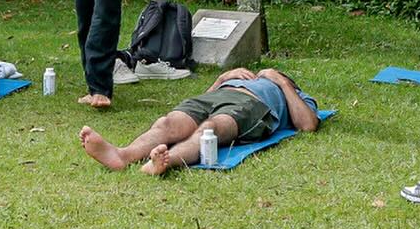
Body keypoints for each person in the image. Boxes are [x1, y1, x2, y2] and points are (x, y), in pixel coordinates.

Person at [78, 66, 321, 175]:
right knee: (167, 123)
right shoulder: (238, 78)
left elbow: (308, 125)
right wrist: (222, 79)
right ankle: (122, 155)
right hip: (215, 96)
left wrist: (281, 81)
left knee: (209, 129)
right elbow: (205, 101)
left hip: (251, 105)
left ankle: (164, 162)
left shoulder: (292, 94)